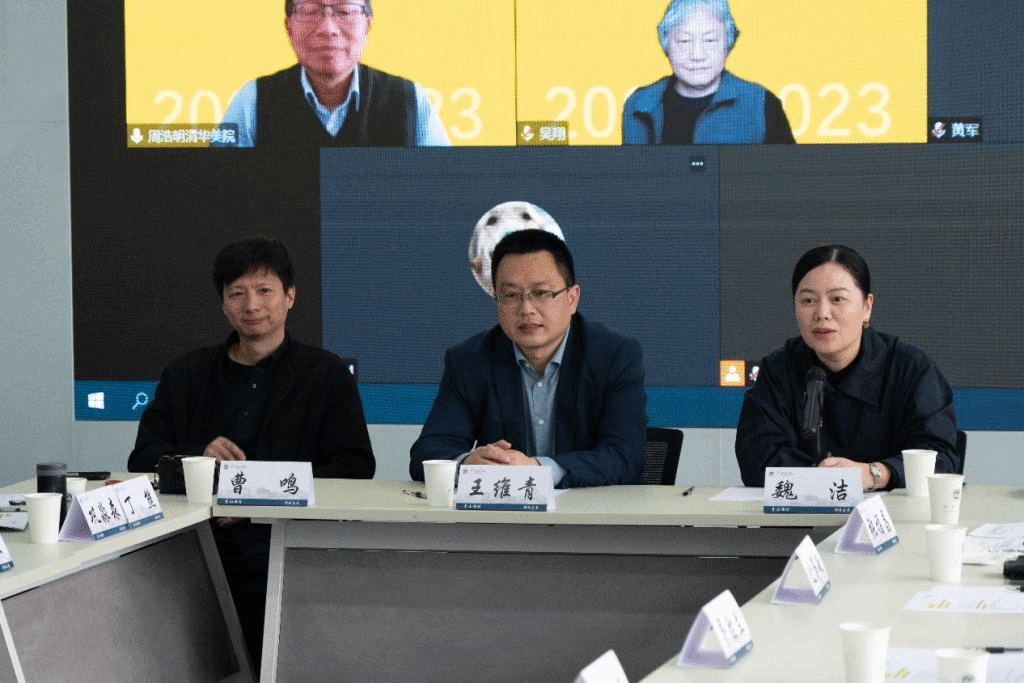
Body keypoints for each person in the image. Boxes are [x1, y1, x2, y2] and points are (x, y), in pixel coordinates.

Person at [128, 236, 375, 670]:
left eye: (264, 291)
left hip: (286, 549)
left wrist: (259, 497)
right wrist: (196, 457)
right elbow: (143, 457)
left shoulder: (327, 375)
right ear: (223, 303)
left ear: (290, 296)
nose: (251, 305)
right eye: (237, 293)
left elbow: (354, 466)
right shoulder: (186, 373)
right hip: (194, 550)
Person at [410, 229, 648, 488]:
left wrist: (538, 470)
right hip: (504, 513)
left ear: (572, 298)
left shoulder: (614, 356)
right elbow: (428, 452)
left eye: (541, 293)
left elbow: (625, 458)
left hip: (593, 511)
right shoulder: (469, 362)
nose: (526, 309)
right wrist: (468, 464)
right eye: (511, 295)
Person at [735, 245, 962, 490]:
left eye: (838, 299)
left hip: (895, 512)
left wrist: (875, 474)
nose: (822, 313)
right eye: (808, 300)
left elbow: (941, 459)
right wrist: (821, 477)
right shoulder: (778, 370)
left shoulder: (911, 369)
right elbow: (756, 459)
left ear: (867, 307)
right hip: (803, 512)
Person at [220, 1, 450, 147]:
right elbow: (220, 192)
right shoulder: (252, 101)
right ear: (289, 27)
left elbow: (444, 191)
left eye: (345, 11)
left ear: (367, 26)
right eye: (310, 11)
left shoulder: (409, 100)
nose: (328, 29)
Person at [622, 0, 795, 145]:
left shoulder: (761, 104)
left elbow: (789, 173)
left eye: (710, 40)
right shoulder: (640, 104)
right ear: (666, 45)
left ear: (727, 44)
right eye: (684, 41)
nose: (697, 55)